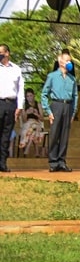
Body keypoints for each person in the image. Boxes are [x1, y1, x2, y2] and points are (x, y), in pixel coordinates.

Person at [40, 51, 75, 172]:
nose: (70, 63)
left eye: (70, 61)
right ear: (61, 61)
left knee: (64, 136)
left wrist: (73, 113)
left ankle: (62, 161)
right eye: (67, 60)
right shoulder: (52, 76)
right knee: (54, 134)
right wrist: (48, 111)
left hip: (68, 106)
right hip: (56, 105)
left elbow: (75, 96)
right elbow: (44, 94)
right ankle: (53, 162)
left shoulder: (72, 79)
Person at [0, 44, 23, 172]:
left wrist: (20, 106)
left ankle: (2, 163)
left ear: (7, 53)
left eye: (1, 52)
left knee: (6, 134)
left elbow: (20, 89)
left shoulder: (16, 69)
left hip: (11, 104)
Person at [18, 89, 44, 157]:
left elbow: (42, 119)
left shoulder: (38, 104)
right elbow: (24, 120)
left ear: (34, 96)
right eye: (27, 96)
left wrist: (37, 114)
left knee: (34, 126)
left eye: (31, 95)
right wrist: (26, 113)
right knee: (33, 128)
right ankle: (36, 152)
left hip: (37, 123)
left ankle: (27, 146)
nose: (29, 98)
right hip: (28, 124)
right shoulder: (24, 106)